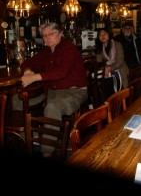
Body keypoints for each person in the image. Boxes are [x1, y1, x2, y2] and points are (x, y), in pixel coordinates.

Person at [14, 22, 88, 157]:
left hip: (75, 91)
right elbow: (27, 62)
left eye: (51, 34)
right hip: (52, 92)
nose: (47, 38)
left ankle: (47, 152)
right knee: (17, 99)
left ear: (60, 34)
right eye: (44, 36)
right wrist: (29, 70)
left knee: (52, 108)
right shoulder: (46, 52)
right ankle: (32, 135)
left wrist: (35, 77)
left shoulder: (69, 48)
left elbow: (62, 72)